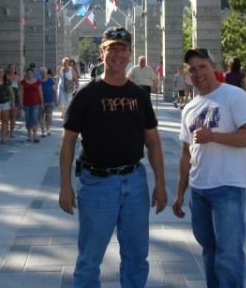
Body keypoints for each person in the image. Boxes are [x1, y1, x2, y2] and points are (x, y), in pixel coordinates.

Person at [59, 26, 167, 288]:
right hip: (98, 185)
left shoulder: (139, 96)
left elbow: (152, 143)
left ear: (130, 53)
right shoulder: (85, 95)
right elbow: (68, 142)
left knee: (136, 257)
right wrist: (64, 187)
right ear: (101, 52)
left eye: (123, 49)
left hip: (135, 182)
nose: (118, 54)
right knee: (89, 260)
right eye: (112, 48)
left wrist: (161, 184)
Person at [172, 48, 246, 288]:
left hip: (228, 188)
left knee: (229, 255)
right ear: (188, 74)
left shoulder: (234, 96)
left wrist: (214, 137)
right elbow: (185, 154)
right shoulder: (190, 107)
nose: (198, 73)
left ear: (213, 66)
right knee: (209, 252)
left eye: (202, 66)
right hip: (199, 191)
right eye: (192, 69)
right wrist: (180, 193)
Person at [20, 67, 44, 143]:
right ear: (26, 74)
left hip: (35, 103)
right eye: (28, 73)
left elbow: (40, 92)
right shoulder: (23, 82)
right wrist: (21, 103)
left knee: (34, 118)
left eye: (31, 73)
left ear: (33, 74)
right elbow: (21, 93)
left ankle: (35, 136)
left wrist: (42, 103)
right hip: (26, 103)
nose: (29, 75)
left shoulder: (38, 81)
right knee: (28, 119)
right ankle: (29, 136)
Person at [39, 66, 57, 137]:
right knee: (41, 116)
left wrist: (56, 99)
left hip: (50, 101)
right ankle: (43, 131)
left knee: (49, 116)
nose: (43, 73)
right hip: (40, 102)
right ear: (40, 73)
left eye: (44, 72)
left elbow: (55, 90)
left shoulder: (50, 80)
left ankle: (48, 129)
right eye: (42, 72)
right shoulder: (38, 81)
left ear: (47, 72)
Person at [7, 64, 20, 138]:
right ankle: (5, 129)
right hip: (5, 99)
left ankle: (12, 132)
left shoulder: (18, 78)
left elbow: (21, 89)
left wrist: (21, 100)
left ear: (15, 69)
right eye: (11, 68)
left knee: (13, 116)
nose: (12, 69)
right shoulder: (5, 77)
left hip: (15, 99)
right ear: (8, 69)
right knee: (5, 116)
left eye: (13, 68)